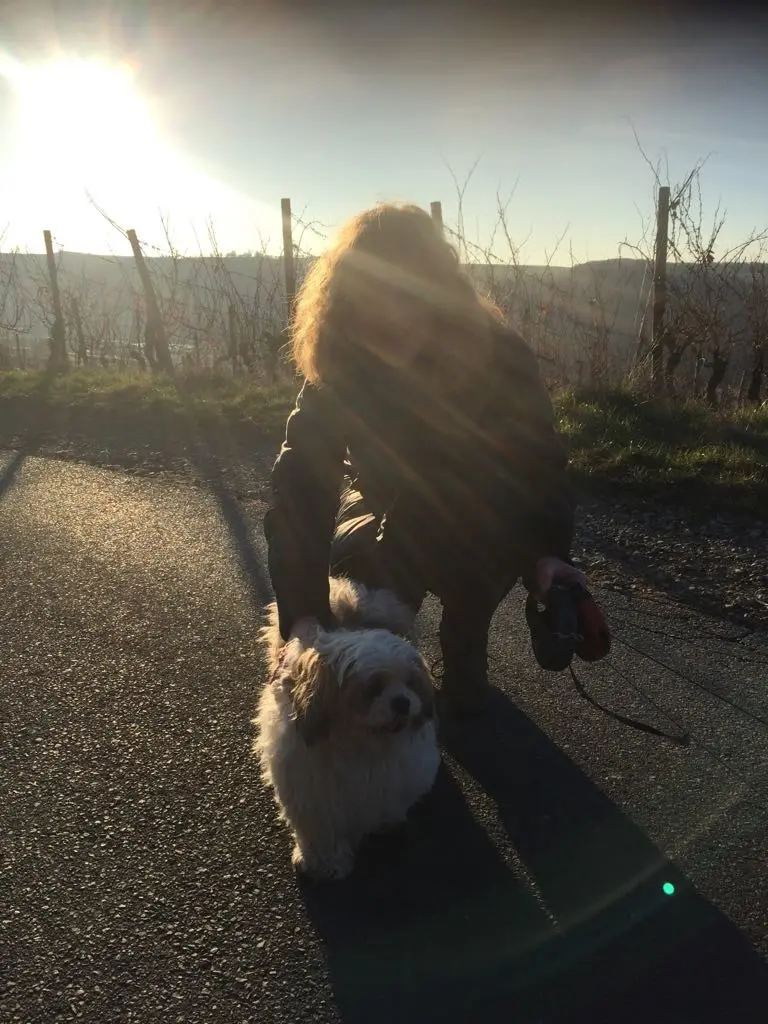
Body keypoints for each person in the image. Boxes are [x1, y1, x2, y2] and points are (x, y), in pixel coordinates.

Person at [264, 202, 590, 715]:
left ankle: (464, 655)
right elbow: (300, 483)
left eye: (406, 296)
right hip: (383, 509)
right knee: (370, 623)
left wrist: (549, 552)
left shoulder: (501, 355)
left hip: (484, 515)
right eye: (371, 300)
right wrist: (302, 616)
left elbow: (538, 463)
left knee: (473, 601)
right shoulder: (339, 358)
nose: (391, 318)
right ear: (344, 302)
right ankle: (389, 678)